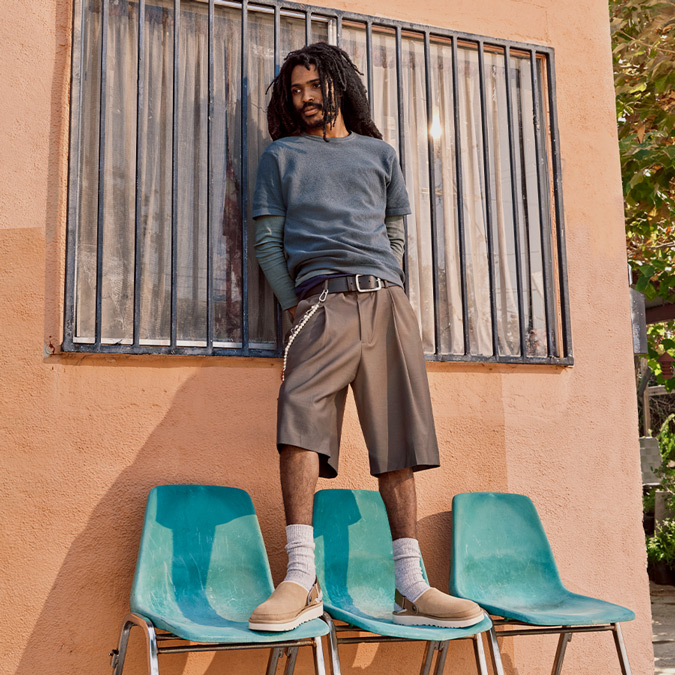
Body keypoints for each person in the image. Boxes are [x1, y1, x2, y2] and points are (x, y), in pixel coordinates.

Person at [248, 42, 483, 633]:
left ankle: (411, 585)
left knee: (396, 442)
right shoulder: (281, 158)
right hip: (319, 305)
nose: (304, 99)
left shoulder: (380, 154)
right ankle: (300, 578)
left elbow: (396, 233)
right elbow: (268, 244)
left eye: (313, 87)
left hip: (385, 303)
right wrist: (297, 308)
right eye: (294, 90)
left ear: (339, 84)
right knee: (297, 427)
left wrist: (390, 286)